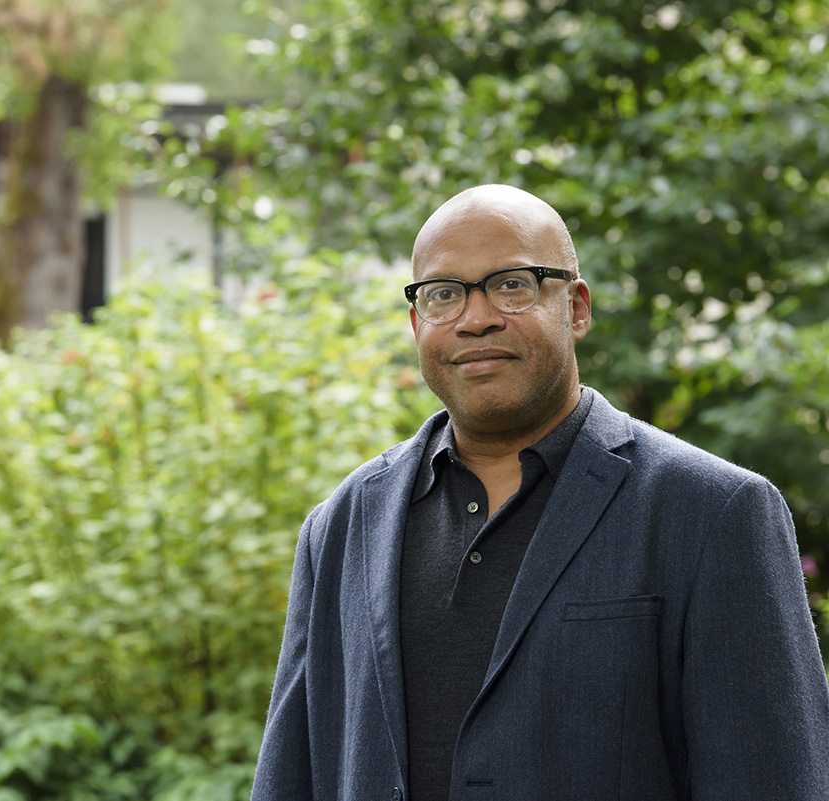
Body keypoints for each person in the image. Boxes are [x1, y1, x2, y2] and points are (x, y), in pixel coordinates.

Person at [250, 184, 829, 801]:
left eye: (511, 284)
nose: (476, 318)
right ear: (417, 323)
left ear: (576, 307)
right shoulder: (341, 526)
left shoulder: (713, 513)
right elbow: (291, 777)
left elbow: (775, 779)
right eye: (444, 295)